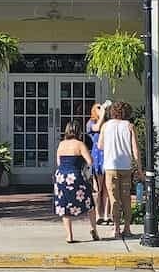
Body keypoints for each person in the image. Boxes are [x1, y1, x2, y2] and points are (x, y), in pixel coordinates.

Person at [98, 101, 140, 240]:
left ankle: (116, 228)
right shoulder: (129, 126)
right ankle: (127, 228)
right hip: (126, 167)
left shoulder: (105, 126)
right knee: (126, 198)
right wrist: (139, 169)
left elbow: (100, 145)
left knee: (114, 199)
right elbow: (135, 150)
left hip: (111, 166)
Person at [53, 120, 98, 243]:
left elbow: (58, 163)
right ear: (78, 131)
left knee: (64, 205)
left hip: (61, 176)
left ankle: (69, 235)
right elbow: (90, 161)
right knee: (89, 204)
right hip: (76, 175)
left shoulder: (61, 144)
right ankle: (93, 229)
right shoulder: (80, 144)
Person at [86, 102, 112, 225]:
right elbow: (96, 128)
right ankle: (98, 214)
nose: (101, 109)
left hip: (108, 156)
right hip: (98, 158)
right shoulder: (91, 123)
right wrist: (102, 114)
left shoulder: (108, 124)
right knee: (98, 188)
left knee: (107, 188)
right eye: (98, 108)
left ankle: (107, 215)